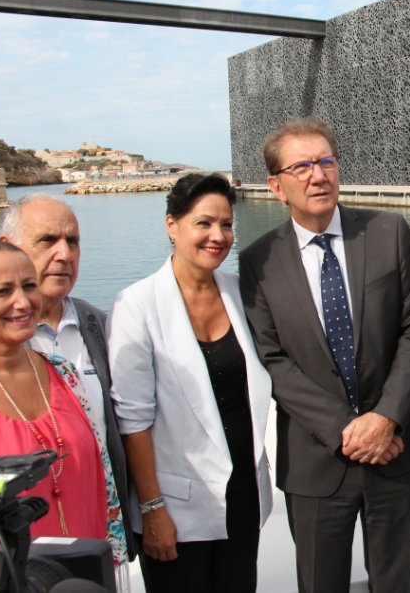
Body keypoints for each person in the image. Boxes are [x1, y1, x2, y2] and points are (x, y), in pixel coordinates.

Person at [239, 117, 410, 593]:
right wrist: (349, 431)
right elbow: (275, 361)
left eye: (326, 161)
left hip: (395, 452)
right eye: (301, 166)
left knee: (396, 585)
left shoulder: (388, 232)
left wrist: (385, 418)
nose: (317, 175)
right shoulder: (257, 262)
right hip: (315, 464)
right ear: (276, 185)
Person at [0, 195, 135, 567]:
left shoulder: (71, 364)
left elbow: (105, 468)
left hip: (85, 560)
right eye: (47, 241)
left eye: (72, 241)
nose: (23, 302)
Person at [107, 173, 273, 592]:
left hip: (241, 497)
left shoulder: (242, 294)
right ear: (171, 225)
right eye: (203, 223)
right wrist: (152, 509)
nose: (218, 235)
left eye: (226, 224)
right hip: (174, 508)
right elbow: (134, 419)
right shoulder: (137, 305)